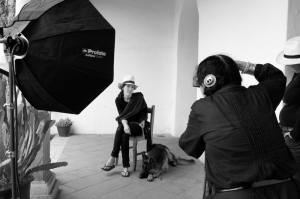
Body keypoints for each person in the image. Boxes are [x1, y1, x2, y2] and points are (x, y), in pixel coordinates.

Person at [179, 54, 300, 198]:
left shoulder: (202, 108)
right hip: (286, 190)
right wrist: (246, 66)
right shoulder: (261, 95)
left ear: (208, 81)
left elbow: (189, 146)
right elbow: (275, 76)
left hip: (235, 195)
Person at [102, 75, 148, 177]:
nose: (131, 89)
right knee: (124, 134)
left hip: (137, 125)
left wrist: (142, 120)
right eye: (128, 86)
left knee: (120, 128)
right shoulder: (118, 100)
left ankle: (113, 157)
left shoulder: (138, 98)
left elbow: (143, 112)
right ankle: (125, 167)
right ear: (123, 87)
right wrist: (125, 123)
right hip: (125, 126)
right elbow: (122, 116)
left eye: (132, 87)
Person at [277, 36, 300, 183]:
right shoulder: (297, 74)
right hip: (288, 130)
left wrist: (294, 135)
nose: (290, 65)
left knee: (295, 177)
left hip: (294, 134)